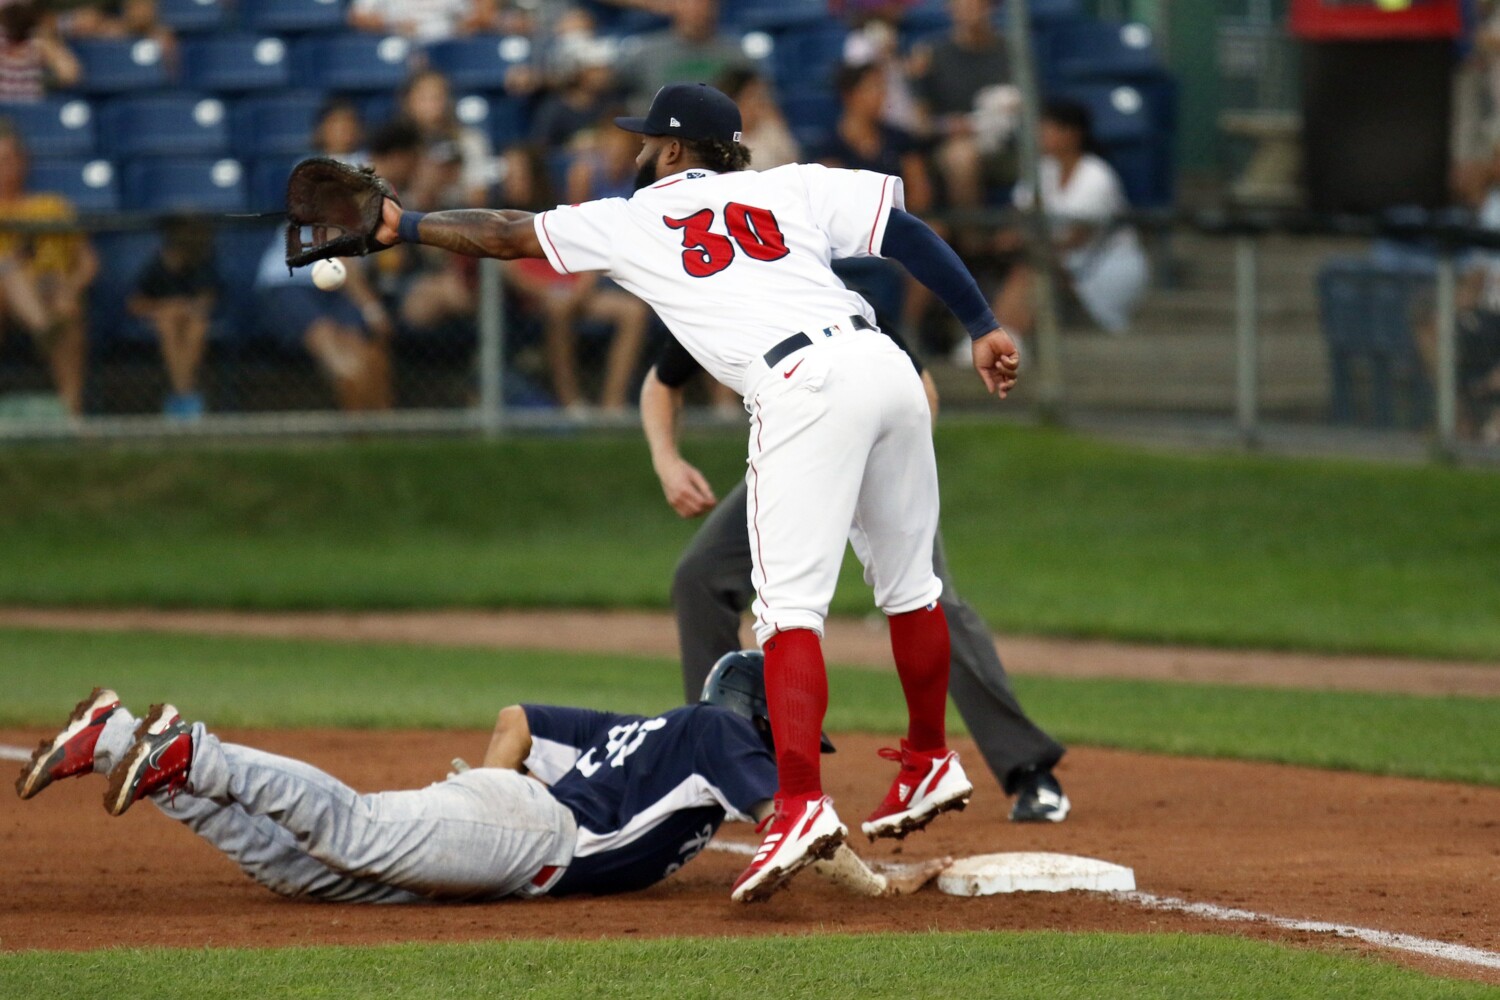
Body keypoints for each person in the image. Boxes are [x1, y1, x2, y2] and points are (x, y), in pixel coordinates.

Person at [360, 83, 1020, 902]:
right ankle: (928, 758)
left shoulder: (636, 216)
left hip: (804, 384)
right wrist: (983, 323)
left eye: (647, 141)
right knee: (911, 588)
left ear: (674, 150)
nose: (637, 151)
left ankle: (802, 807)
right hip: (886, 365)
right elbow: (906, 233)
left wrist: (407, 225)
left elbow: (507, 233)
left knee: (787, 614)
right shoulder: (787, 182)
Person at [14, 656, 945, 902]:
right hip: (532, 836)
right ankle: (188, 750)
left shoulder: (668, 729)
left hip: (513, 826)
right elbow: (799, 827)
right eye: (794, 737)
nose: (796, 753)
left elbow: (519, 722)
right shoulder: (718, 734)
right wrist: (880, 882)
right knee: (358, 829)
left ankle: (126, 750)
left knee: (309, 874)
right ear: (766, 719)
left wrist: (477, 798)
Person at [641, 332, 1070, 823]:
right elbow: (660, 382)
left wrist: (888, 480)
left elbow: (920, 388)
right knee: (700, 577)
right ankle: (721, 761)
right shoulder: (720, 294)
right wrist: (667, 461)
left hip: (873, 453)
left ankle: (1029, 768)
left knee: (928, 600)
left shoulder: (826, 284)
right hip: (796, 463)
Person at [993, 100, 1148, 338]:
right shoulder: (1042, 170)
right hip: (1059, 264)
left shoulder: (1097, 175)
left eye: (1047, 129)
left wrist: (1024, 242)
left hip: (1104, 271)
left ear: (1073, 134)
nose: (1039, 136)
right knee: (1021, 267)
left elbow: (1076, 239)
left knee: (1032, 270)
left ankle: (1002, 343)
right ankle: (1001, 340)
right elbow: (1017, 216)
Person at [0, 120, 95, 416]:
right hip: (4, 293)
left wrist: (73, 285)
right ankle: (44, 329)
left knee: (68, 310)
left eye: (8, 159)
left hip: (51, 288)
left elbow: (89, 261)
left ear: (24, 162)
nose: (4, 168)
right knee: (6, 267)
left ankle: (72, 415)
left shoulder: (52, 206)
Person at [910, 0, 1015, 210]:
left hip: (1006, 141)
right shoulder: (930, 54)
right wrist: (947, 126)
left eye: (977, 3)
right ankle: (972, 240)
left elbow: (1027, 108)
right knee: (961, 157)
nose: (969, 9)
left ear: (991, 6)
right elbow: (920, 122)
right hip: (950, 144)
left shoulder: (1012, 51)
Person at [127, 216, 218, 419]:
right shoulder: (155, 265)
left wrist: (185, 307)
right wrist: (166, 307)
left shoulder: (202, 263)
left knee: (198, 326)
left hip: (192, 318)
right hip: (163, 319)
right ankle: (186, 396)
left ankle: (181, 397)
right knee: (167, 323)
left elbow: (208, 299)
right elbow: (135, 304)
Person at [616, 0, 749, 114]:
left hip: (714, 135)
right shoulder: (646, 52)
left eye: (706, 3)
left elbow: (754, 102)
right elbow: (607, 83)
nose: (699, 9)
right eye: (691, 2)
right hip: (654, 133)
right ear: (675, 5)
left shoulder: (737, 55)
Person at [397, 68, 497, 209]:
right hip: (406, 223)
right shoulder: (395, 145)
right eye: (424, 98)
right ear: (408, 102)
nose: (433, 105)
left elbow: (479, 199)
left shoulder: (470, 140)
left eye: (438, 97)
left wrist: (446, 183)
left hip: (458, 222)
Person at [0, 1, 80, 102]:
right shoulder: (40, 45)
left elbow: (70, 75)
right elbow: (69, 74)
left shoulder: (38, 46)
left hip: (31, 109)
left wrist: (46, 81)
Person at [347, 0, 499, 44]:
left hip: (452, 43)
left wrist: (459, 26)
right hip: (398, 39)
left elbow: (486, 15)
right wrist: (392, 23)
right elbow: (358, 16)